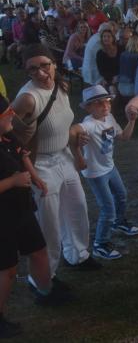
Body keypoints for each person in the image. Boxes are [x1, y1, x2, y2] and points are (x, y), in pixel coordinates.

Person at [12, 45, 99, 282]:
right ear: (27, 72)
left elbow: (63, 121)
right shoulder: (28, 98)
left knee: (78, 208)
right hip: (41, 164)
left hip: (65, 158)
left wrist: (74, 136)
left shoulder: (62, 86)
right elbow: (7, 133)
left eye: (45, 66)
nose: (40, 73)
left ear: (54, 64)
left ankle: (78, 255)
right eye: (33, 69)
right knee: (49, 223)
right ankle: (44, 277)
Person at [0, 95, 72, 339]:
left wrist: (36, 177)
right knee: (8, 269)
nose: (13, 114)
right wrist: (13, 181)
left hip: (21, 208)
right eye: (6, 112)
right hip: (3, 217)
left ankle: (45, 291)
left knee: (39, 251)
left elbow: (23, 155)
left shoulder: (8, 135)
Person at [69, 86, 138, 260]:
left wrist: (132, 121)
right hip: (95, 173)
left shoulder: (109, 118)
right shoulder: (89, 125)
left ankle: (119, 222)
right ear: (88, 108)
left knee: (121, 195)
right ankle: (100, 244)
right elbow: (72, 131)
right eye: (98, 103)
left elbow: (123, 137)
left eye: (107, 101)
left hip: (110, 167)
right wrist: (77, 149)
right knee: (108, 208)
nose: (105, 106)